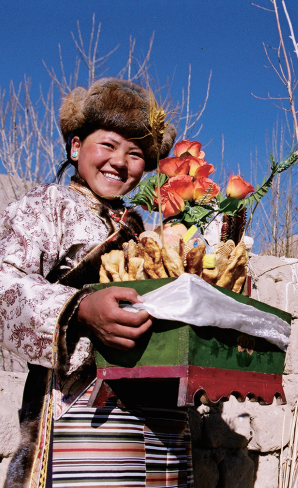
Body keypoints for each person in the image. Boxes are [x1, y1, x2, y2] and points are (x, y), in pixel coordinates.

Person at [1, 78, 192, 488]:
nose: (120, 162)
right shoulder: (47, 207)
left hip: (157, 425)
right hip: (76, 417)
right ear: (75, 147)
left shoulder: (147, 236)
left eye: (136, 153)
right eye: (108, 144)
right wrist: (81, 309)